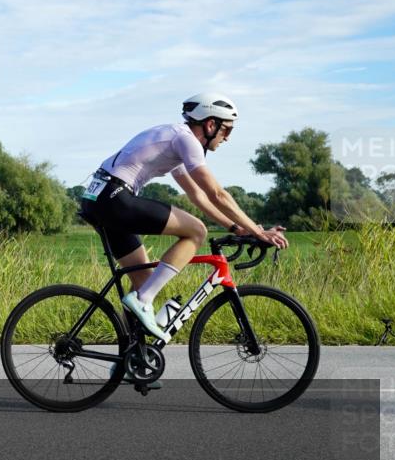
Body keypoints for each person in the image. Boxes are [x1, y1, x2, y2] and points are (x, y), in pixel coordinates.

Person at [79, 93, 288, 342]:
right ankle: (143, 301)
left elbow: (197, 196)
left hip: (98, 200)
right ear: (210, 125)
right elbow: (217, 194)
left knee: (143, 279)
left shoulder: (175, 140)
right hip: (114, 198)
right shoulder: (186, 140)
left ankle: (131, 355)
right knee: (197, 231)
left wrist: (235, 227)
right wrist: (258, 231)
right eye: (227, 129)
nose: (227, 137)